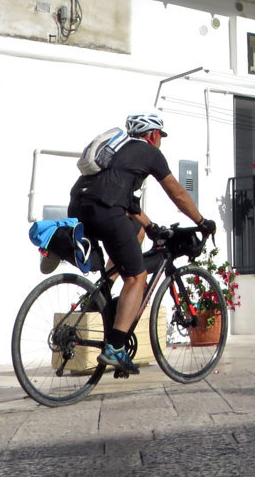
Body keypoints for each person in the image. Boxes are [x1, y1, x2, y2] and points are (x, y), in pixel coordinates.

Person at [64, 109, 215, 375]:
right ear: (154, 134)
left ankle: (102, 290)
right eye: (160, 136)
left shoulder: (119, 152)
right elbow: (177, 193)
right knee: (137, 277)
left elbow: (130, 204)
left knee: (135, 231)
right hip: (106, 209)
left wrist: (150, 226)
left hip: (79, 204)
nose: (160, 141)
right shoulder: (150, 153)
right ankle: (116, 348)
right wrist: (202, 221)